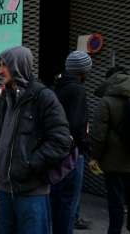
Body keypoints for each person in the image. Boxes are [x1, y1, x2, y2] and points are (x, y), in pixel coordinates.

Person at [0, 46, 71, 234]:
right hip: (6, 191)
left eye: (4, 65)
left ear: (17, 65)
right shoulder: (4, 99)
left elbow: (61, 141)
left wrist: (29, 165)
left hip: (31, 193)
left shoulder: (43, 97)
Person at [50, 51, 92, 234]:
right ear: (83, 71)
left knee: (55, 202)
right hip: (72, 155)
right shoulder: (78, 90)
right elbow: (77, 125)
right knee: (68, 204)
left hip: (53, 153)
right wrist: (85, 147)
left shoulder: (56, 86)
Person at [90, 66, 130, 234]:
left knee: (115, 202)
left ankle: (114, 231)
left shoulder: (106, 101)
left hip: (113, 162)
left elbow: (98, 134)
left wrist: (95, 156)